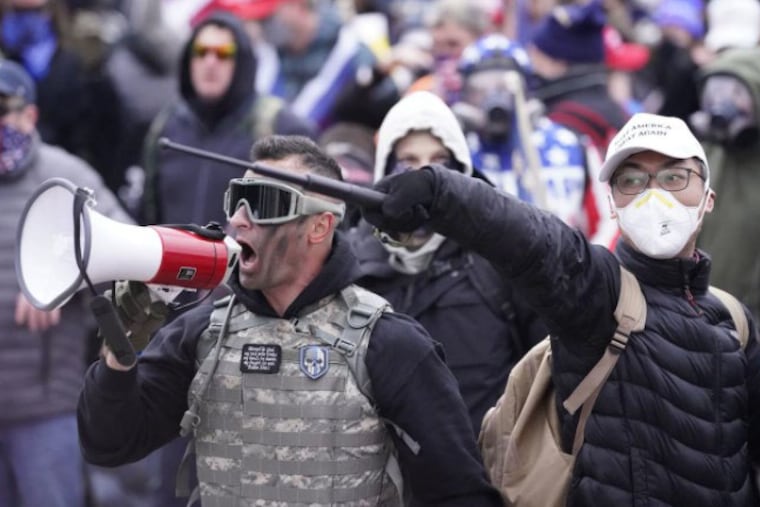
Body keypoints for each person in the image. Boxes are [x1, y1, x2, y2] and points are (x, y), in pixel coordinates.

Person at [77, 135, 504, 507]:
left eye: (262, 202)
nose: (240, 218)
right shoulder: (203, 333)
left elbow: (458, 493)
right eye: (236, 198)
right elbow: (108, 442)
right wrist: (118, 355)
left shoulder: (389, 344)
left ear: (319, 227)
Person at [361, 112, 760, 506]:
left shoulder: (735, 320)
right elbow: (535, 241)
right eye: (632, 180)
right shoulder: (599, 294)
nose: (653, 196)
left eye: (674, 177)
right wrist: (440, 192)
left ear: (708, 199)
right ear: (613, 204)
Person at [349, 90, 547, 435]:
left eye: (439, 162)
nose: (423, 176)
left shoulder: (498, 259)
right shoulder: (351, 267)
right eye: (407, 162)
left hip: (489, 476)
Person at [0, 58, 132, 507]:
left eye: (3, 109)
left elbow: (130, 255)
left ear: (29, 115)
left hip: (44, 409)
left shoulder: (68, 179)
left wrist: (58, 280)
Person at [139, 10, 315, 226]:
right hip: (174, 258)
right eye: (201, 51)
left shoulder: (281, 127)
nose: (210, 62)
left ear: (242, 60)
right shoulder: (166, 127)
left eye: (224, 53)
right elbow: (147, 215)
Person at [452, 33, 618, 247]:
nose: (493, 98)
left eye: (505, 87)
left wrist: (587, 274)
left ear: (527, 91)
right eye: (480, 89)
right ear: (465, 95)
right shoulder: (454, 152)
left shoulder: (571, 146)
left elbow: (609, 223)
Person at [692, 47, 760, 321]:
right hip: (703, 316)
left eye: (736, 93)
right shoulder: (703, 158)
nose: (722, 103)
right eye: (715, 92)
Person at [527, 0, 629, 156]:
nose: (530, 61)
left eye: (537, 54)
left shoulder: (562, 121)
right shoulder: (616, 111)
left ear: (557, 63)